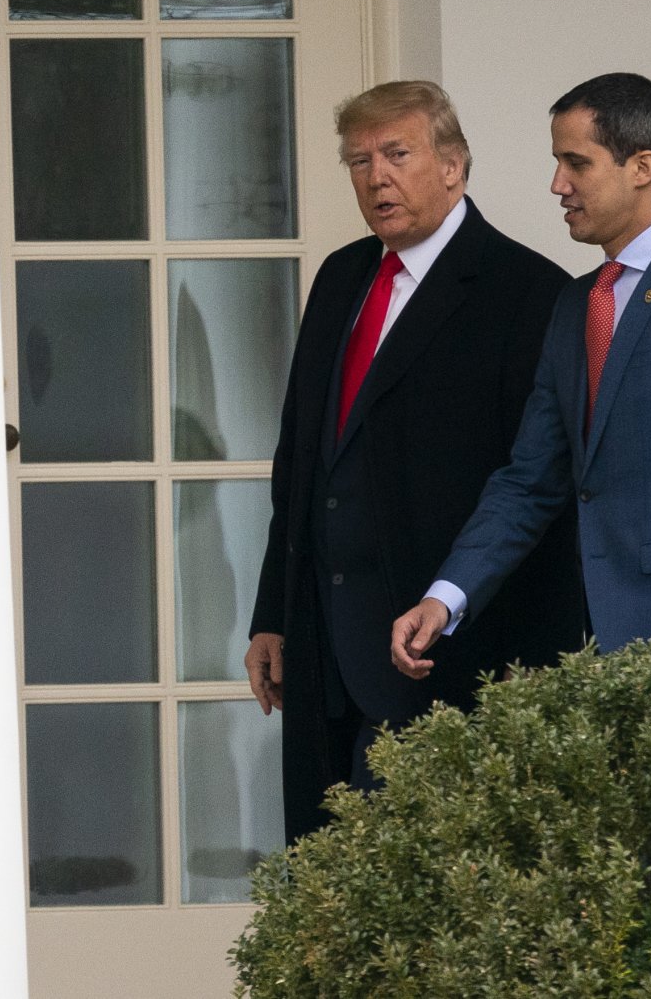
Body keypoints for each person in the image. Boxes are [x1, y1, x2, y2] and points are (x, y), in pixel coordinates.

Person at [391, 72, 651, 685]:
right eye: (556, 163)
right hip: (595, 654)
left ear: (642, 166)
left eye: (576, 164)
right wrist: (445, 596)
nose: (557, 185)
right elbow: (530, 479)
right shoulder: (575, 305)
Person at [245, 80, 584, 842]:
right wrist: (273, 613)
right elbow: (300, 459)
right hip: (326, 646)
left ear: (455, 165)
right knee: (329, 886)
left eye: (397, 154)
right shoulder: (341, 278)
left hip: (443, 661)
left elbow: (537, 490)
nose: (376, 178)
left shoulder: (528, 294)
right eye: (359, 161)